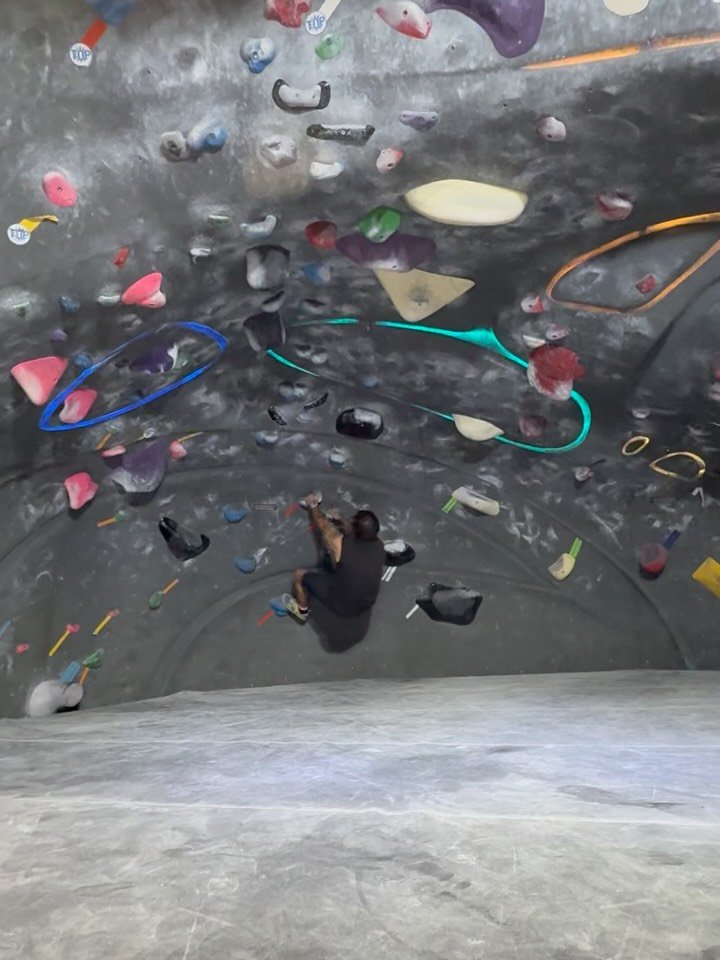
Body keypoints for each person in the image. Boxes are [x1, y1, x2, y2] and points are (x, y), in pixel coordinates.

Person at [283, 493, 385, 622]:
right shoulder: (379, 546)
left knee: (299, 575)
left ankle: (301, 610)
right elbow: (357, 534)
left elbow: (323, 526)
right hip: (366, 605)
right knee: (343, 565)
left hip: (342, 606)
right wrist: (342, 519)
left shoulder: (339, 546)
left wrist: (313, 504)